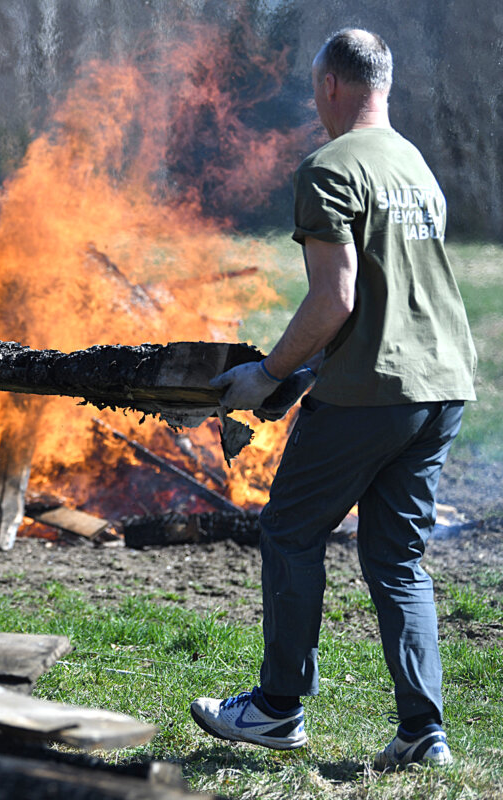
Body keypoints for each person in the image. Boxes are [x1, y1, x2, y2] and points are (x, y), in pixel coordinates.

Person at [192, 29, 476, 770]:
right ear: (384, 85)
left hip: (372, 393)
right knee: (398, 559)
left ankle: (277, 709)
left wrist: (266, 375)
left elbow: (336, 297)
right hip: (443, 386)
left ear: (330, 87)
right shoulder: (415, 165)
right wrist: (306, 367)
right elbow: (386, 296)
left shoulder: (327, 167)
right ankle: (423, 732)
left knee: (290, 530)